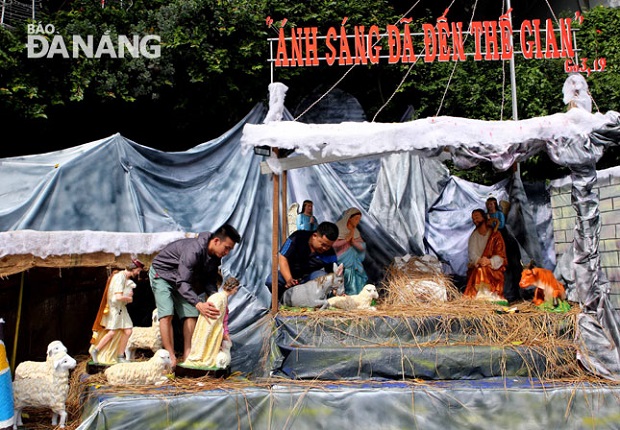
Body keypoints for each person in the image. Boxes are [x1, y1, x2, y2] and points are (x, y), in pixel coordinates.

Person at [149, 224, 241, 368]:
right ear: (216, 241)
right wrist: (199, 303)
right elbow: (183, 281)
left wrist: (216, 299)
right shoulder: (194, 251)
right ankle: (170, 357)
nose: (227, 252)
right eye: (227, 248)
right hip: (163, 274)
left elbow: (209, 281)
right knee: (167, 313)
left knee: (191, 314)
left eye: (230, 249)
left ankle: (189, 355)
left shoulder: (215, 257)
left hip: (182, 280)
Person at [266, 221, 339, 302]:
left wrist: (335, 289)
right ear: (314, 236)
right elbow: (282, 257)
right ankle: (283, 301)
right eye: (323, 244)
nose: (325, 248)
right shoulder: (297, 237)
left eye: (328, 246)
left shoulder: (330, 254)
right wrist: (289, 279)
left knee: (323, 276)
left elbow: (331, 275)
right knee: (272, 280)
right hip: (290, 275)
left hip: (309, 281)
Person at [90, 259, 145, 364]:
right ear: (133, 269)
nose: (138, 273)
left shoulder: (125, 278)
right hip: (114, 309)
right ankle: (95, 350)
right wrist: (128, 299)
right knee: (112, 332)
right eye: (138, 270)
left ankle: (120, 356)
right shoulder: (119, 277)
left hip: (121, 309)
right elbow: (118, 297)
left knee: (128, 330)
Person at [185, 277, 240, 367]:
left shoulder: (221, 297)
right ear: (233, 288)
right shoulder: (220, 298)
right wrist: (222, 333)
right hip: (210, 329)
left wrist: (224, 332)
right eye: (236, 289)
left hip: (213, 329)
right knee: (207, 352)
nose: (236, 291)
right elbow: (215, 319)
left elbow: (222, 318)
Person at [463, 209, 507, 301]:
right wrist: (479, 260)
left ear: (484, 217)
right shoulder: (474, 236)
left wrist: (489, 261)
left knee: (483, 270)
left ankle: (491, 296)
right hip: (478, 266)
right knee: (480, 270)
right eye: (473, 219)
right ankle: (481, 295)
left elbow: (501, 255)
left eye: (477, 217)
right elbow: (472, 254)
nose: (475, 220)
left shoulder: (495, 235)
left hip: (493, 267)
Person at [486, 196, 522, 302]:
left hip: (502, 238)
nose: (490, 206)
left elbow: (500, 225)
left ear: (495, 204)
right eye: (488, 204)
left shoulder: (499, 214)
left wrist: (493, 223)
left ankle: (513, 292)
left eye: (491, 204)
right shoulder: (487, 215)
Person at [333, 207, 368, 295]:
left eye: (359, 219)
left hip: (354, 261)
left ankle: (357, 295)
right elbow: (333, 245)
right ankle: (346, 294)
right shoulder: (338, 228)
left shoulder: (355, 231)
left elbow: (362, 247)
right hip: (342, 260)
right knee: (345, 276)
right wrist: (346, 241)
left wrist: (353, 242)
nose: (357, 221)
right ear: (349, 217)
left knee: (359, 275)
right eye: (356, 219)